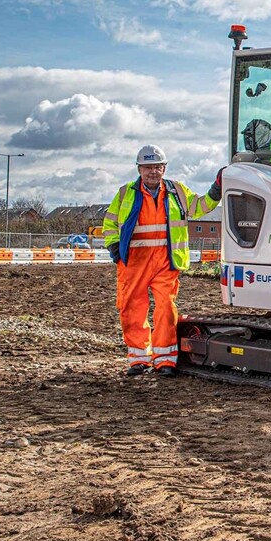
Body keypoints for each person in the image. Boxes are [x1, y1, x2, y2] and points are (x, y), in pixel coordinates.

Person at [103, 145, 223, 377]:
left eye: (157, 167)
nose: (152, 172)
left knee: (166, 309)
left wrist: (216, 190)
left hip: (165, 262)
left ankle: (165, 360)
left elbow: (200, 207)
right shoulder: (125, 193)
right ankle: (139, 359)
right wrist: (115, 248)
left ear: (164, 168)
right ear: (139, 169)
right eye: (148, 167)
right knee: (132, 310)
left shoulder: (177, 191)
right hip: (133, 263)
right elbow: (109, 223)